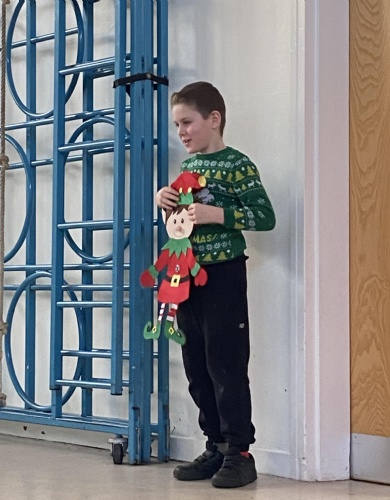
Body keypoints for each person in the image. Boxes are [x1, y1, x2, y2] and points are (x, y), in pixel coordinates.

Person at [155, 81, 276, 489]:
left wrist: (216, 214)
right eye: (177, 125)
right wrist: (165, 202)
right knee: (196, 365)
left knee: (226, 363)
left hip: (224, 274)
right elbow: (181, 224)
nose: (181, 132)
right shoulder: (188, 170)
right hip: (187, 276)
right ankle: (217, 446)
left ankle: (240, 452)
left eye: (187, 122)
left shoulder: (238, 165)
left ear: (214, 119)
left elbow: (264, 216)